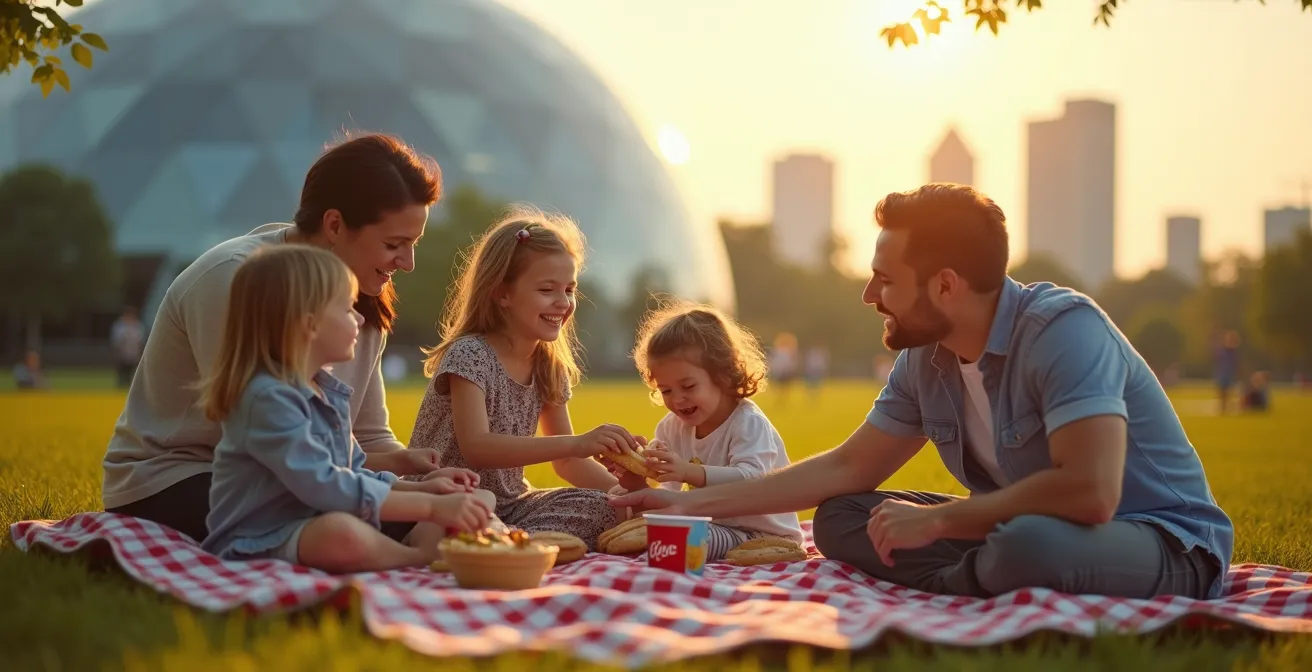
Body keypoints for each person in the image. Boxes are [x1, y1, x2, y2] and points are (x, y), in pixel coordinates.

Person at [612, 183, 1234, 601]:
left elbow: (1090, 493)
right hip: (1016, 526)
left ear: (945, 286)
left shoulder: (1062, 330)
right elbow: (848, 467)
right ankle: (980, 578)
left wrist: (940, 521)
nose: (869, 296)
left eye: (884, 280)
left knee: (1028, 546)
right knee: (841, 516)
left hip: (1158, 539)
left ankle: (970, 577)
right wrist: (690, 506)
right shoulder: (925, 358)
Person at [102, 133, 446, 544]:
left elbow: (365, 437)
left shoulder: (361, 305)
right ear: (334, 225)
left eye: (413, 244)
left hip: (297, 473)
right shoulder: (235, 279)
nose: (408, 263)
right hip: (179, 478)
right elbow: (271, 445)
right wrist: (403, 501)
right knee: (354, 526)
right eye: (394, 244)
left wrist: (416, 478)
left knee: (443, 518)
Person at [201, 245, 491, 571]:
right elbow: (324, 485)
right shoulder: (268, 400)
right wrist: (429, 507)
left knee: (478, 500)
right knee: (340, 534)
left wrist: (422, 488)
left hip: (328, 518)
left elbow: (352, 472)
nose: (360, 317)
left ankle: (414, 547)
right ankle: (418, 558)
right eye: (348, 308)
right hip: (263, 539)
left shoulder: (327, 391)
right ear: (310, 325)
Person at [407, 206, 644, 551]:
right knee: (476, 507)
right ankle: (497, 540)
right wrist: (578, 442)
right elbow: (477, 447)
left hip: (511, 505)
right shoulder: (470, 354)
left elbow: (568, 462)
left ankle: (506, 541)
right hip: (445, 496)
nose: (563, 302)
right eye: (547, 290)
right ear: (502, 293)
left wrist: (629, 498)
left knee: (604, 507)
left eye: (569, 289)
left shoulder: (548, 365)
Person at [610, 301, 803, 560]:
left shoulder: (747, 423)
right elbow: (669, 494)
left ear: (723, 375)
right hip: (710, 523)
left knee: (681, 537)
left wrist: (689, 472)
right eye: (666, 390)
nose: (677, 399)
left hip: (760, 533)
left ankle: (663, 562)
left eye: (688, 386)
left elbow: (753, 480)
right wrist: (635, 480)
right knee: (630, 517)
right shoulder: (671, 427)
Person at [109, 307, 145, 388]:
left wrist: (140, 352)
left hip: (134, 354)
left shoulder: (138, 326)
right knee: (122, 373)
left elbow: (140, 341)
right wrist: (116, 353)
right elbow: (116, 341)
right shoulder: (120, 326)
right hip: (122, 354)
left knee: (132, 374)